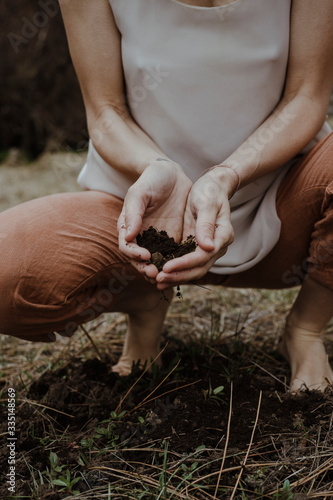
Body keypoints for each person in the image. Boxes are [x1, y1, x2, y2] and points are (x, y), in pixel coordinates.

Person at [1, 0, 333, 392]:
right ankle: (144, 299)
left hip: (281, 209)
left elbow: (307, 97)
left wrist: (226, 176)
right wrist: (157, 168)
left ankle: (305, 328)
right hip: (141, 218)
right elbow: (106, 111)